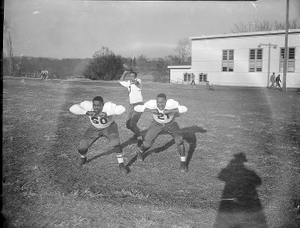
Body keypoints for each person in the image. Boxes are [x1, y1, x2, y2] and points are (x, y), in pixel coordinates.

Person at [69, 96, 128, 174]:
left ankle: (121, 164)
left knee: (115, 142)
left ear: (103, 104)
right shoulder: (88, 105)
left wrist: (107, 113)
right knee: (81, 148)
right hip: (94, 128)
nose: (96, 108)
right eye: (94, 105)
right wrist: (86, 112)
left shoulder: (108, 106)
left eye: (98, 105)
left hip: (109, 127)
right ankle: (83, 158)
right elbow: (72, 108)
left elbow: (122, 109)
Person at [134, 93, 188, 173]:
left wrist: (171, 110)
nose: (160, 104)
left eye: (162, 102)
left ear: (166, 101)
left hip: (171, 124)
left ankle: (183, 162)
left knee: (179, 140)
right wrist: (150, 110)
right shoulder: (152, 104)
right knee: (147, 143)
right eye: (158, 102)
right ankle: (140, 152)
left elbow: (184, 109)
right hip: (156, 124)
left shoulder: (171, 103)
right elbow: (137, 108)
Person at [119, 70, 144, 144]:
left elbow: (137, 83)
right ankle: (137, 134)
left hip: (139, 104)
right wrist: (125, 72)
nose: (131, 77)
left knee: (132, 124)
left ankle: (140, 138)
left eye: (133, 76)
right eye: (130, 76)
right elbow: (121, 81)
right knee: (128, 124)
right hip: (131, 105)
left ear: (135, 77)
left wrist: (134, 81)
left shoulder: (138, 80)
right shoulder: (129, 83)